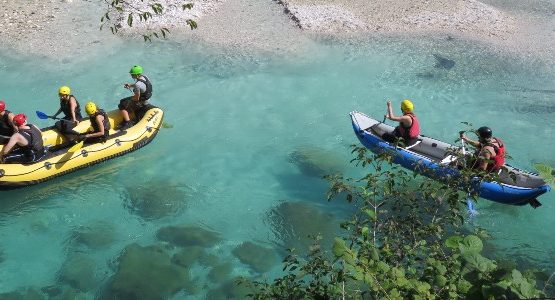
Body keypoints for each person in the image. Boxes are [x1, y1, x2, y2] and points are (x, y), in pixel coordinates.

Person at [118, 65, 153, 130]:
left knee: (122, 103)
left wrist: (128, 101)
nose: (131, 75)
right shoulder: (145, 77)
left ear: (136, 75)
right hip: (146, 99)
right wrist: (130, 85)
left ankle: (128, 123)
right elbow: (141, 86)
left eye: (132, 74)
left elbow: (136, 98)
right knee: (126, 101)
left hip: (142, 102)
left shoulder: (137, 84)